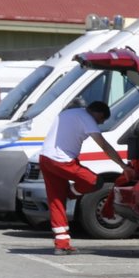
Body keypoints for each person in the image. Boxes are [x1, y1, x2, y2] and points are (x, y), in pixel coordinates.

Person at [39, 100, 126, 255]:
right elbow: (104, 145)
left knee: (57, 201)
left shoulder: (69, 112)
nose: (99, 124)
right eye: (101, 120)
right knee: (94, 181)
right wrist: (123, 165)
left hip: (45, 158)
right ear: (98, 114)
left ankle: (61, 244)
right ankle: (71, 192)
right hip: (62, 161)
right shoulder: (87, 118)